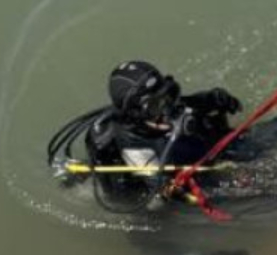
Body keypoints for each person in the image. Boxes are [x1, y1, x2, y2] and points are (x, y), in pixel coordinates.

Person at [48, 60, 242, 213]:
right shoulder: (125, 145)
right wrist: (164, 194)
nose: (168, 109)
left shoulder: (161, 112)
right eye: (156, 106)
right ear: (135, 113)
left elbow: (189, 102)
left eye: (168, 96)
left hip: (210, 153)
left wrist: (213, 99)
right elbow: (129, 208)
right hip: (162, 180)